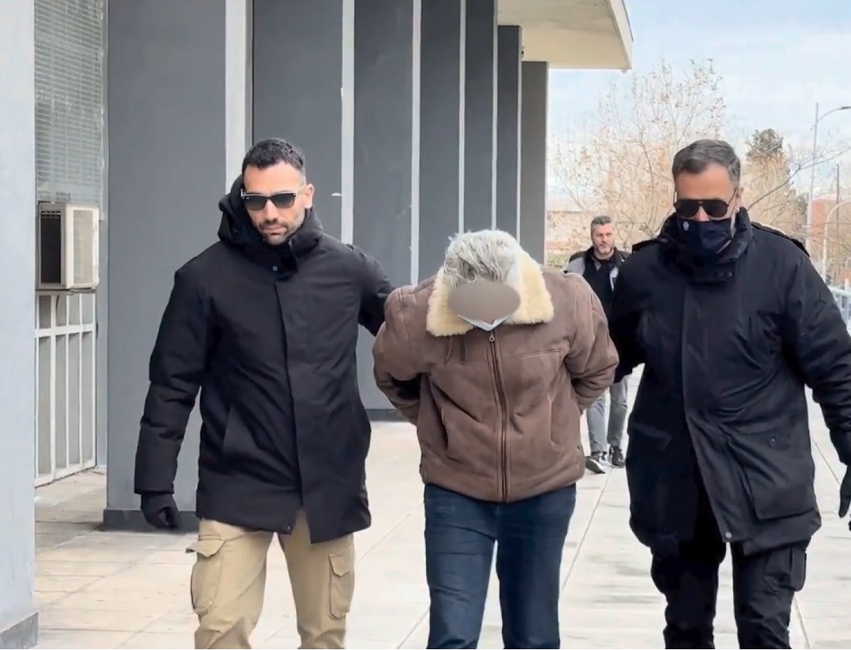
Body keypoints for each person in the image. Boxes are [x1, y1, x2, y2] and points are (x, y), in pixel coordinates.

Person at [608, 139, 851, 649]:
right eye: (688, 208)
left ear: (738, 198)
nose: (701, 219)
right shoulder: (644, 276)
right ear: (674, 201)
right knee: (686, 629)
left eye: (714, 207)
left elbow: (833, 366)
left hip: (766, 479)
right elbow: (603, 360)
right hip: (677, 483)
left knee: (763, 630)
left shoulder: (782, 267)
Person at [133, 138, 393, 649]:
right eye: (256, 201)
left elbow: (409, 341)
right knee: (220, 630)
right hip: (237, 479)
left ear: (308, 195)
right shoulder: (203, 279)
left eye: (283, 199)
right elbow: (171, 382)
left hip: (326, 483)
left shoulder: (350, 271)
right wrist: (154, 481)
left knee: (324, 635)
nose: (269, 213)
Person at [372, 229, 617, 649]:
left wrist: (554, 420)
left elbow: (598, 368)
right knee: (452, 633)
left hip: (543, 488)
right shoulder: (414, 314)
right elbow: (391, 377)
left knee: (534, 635)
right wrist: (438, 425)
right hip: (457, 491)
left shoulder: (567, 300)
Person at [564, 214, 631, 472]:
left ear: (614, 235)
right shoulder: (577, 265)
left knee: (619, 399)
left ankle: (615, 446)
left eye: (607, 234)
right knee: (595, 396)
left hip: (620, 341)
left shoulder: (626, 265)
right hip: (589, 342)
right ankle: (598, 451)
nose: (603, 240)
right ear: (591, 236)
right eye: (599, 235)